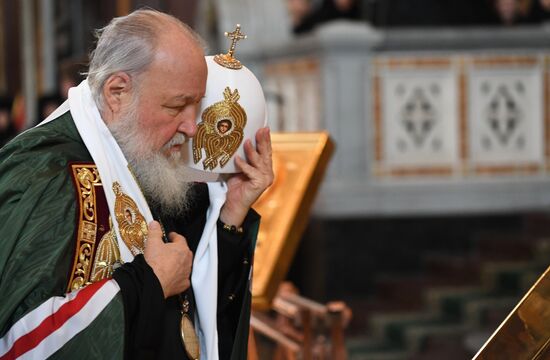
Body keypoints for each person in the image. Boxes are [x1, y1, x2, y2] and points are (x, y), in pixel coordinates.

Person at [0, 9, 273, 360]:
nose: (192, 127)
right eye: (178, 106)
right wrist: (148, 282)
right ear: (117, 92)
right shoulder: (46, 176)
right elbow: (20, 344)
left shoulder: (137, 157)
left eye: (198, 105)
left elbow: (189, 315)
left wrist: (230, 217)